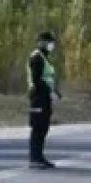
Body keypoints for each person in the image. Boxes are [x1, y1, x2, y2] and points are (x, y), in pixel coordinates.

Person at [28, 31, 62, 168]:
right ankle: (34, 158)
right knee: (38, 127)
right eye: (49, 42)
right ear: (42, 42)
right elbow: (36, 80)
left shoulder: (44, 58)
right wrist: (49, 91)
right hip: (38, 97)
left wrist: (55, 92)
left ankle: (39, 156)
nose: (51, 45)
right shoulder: (36, 58)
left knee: (44, 127)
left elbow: (48, 78)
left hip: (45, 97)